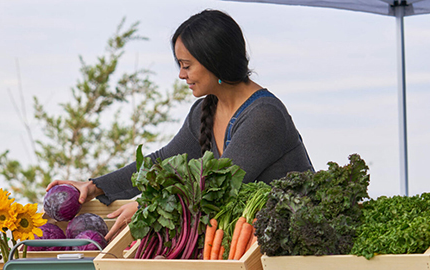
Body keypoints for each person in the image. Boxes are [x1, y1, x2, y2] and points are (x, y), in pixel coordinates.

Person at [47, 9, 314, 241]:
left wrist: (145, 206)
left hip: (296, 250)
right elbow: (162, 161)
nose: (181, 75)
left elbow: (214, 188)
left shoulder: (264, 117)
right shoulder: (204, 110)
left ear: (215, 62)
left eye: (187, 65)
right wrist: (93, 186)